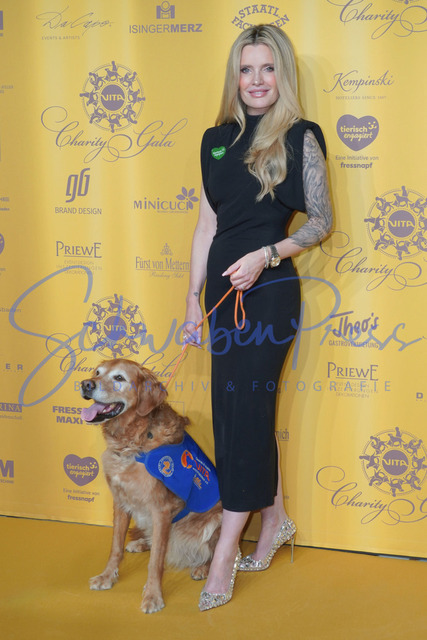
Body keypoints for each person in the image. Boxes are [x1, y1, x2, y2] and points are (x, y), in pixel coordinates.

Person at [183, 24, 333, 611]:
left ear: (283, 74)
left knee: (244, 413)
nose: (256, 80)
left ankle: (226, 550)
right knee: (235, 414)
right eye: (246, 69)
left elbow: (321, 222)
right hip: (221, 299)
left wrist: (267, 254)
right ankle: (275, 519)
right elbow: (206, 227)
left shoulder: (299, 136)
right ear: (235, 76)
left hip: (268, 293)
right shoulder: (215, 140)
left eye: (268, 68)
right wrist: (190, 303)